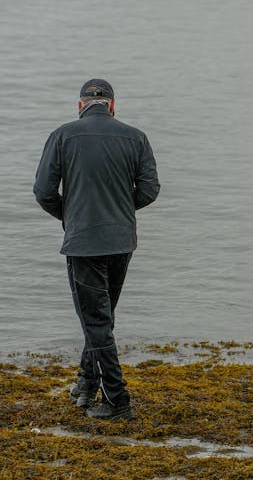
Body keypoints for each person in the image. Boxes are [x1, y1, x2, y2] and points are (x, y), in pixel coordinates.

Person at [33, 79, 160, 420]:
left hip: (84, 241)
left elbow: (43, 192)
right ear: (112, 106)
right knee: (101, 320)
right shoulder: (136, 137)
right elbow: (150, 189)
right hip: (121, 241)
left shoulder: (62, 136)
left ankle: (118, 400)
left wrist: (71, 215)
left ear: (80, 105)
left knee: (96, 321)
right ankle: (86, 384)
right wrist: (119, 210)